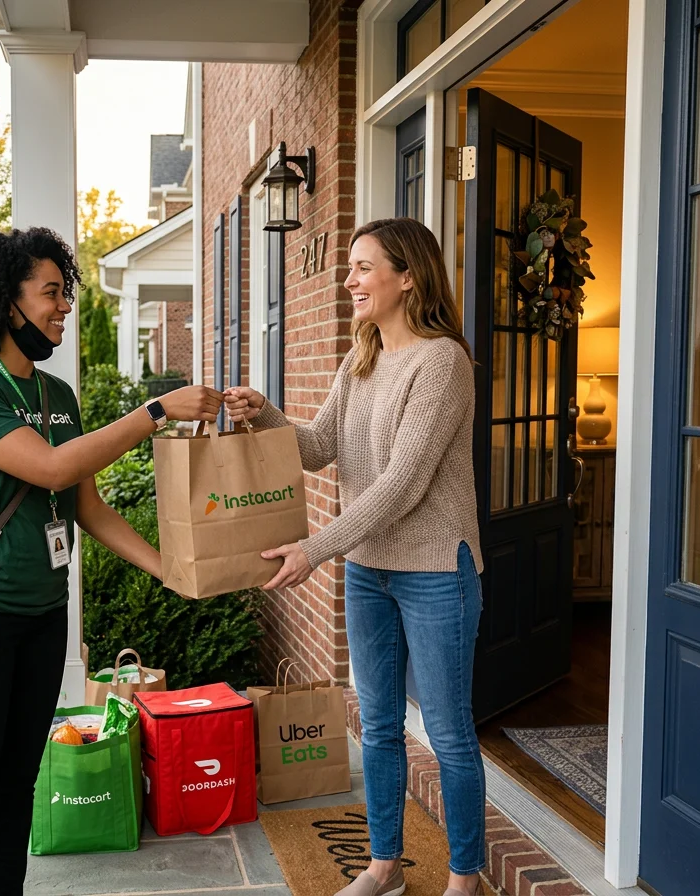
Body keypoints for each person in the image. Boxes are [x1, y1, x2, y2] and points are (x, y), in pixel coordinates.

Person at [0, 227, 222, 896]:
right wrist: (154, 411)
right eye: (51, 293)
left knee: (16, 786)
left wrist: (169, 569)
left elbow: (86, 507)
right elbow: (48, 466)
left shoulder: (56, 397)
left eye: (65, 294)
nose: (64, 306)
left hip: (42, 616)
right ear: (4, 301)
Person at [224, 217, 485, 896]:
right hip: (369, 571)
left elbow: (403, 483)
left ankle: (464, 878)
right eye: (350, 268)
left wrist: (314, 549)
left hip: (435, 572)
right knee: (377, 728)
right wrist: (269, 412)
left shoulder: (442, 362)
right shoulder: (361, 356)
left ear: (408, 277)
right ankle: (383, 868)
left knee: (451, 736)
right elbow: (318, 448)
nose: (350, 281)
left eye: (364, 267)